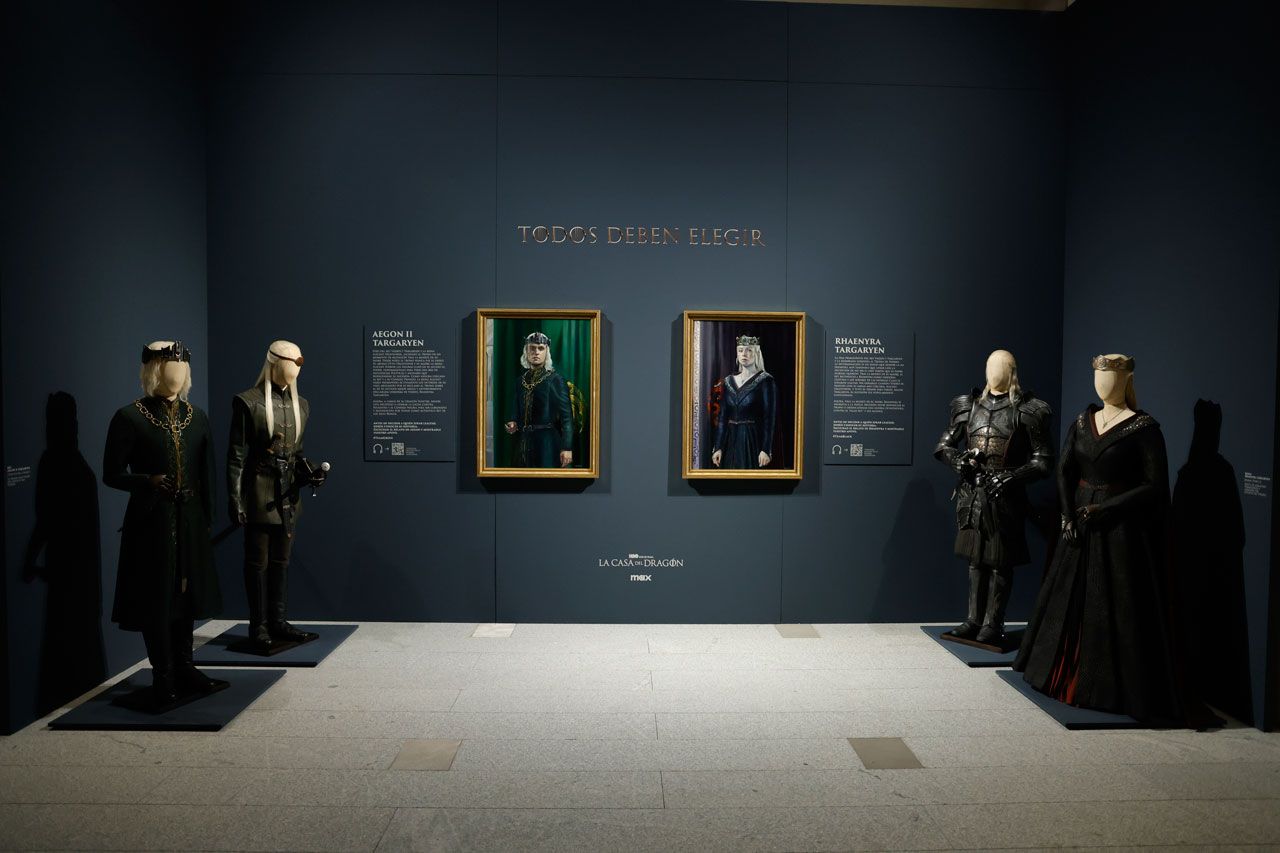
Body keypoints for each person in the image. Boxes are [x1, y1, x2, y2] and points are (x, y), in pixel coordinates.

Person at [1013, 354, 1182, 723]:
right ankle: (1055, 671)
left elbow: (1154, 485)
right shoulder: (1082, 421)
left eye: (1111, 377)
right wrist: (1066, 514)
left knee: (1112, 602)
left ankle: (1102, 686)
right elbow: (1064, 470)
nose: (1103, 384)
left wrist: (1106, 509)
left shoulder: (1144, 428)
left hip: (1119, 534)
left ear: (1126, 380)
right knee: (1068, 596)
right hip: (1078, 526)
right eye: (1099, 376)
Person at [103, 341, 224, 708]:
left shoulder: (196, 416)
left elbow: (207, 472)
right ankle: (163, 674)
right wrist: (147, 481)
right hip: (151, 524)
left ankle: (185, 666)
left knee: (186, 596)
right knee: (157, 598)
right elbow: (111, 473)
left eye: (182, 368)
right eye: (170, 367)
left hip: (190, 522)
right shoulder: (130, 417)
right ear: (154, 370)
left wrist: (207, 519)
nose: (176, 374)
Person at [934, 350, 1053, 647]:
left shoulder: (1030, 410)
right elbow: (944, 445)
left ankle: (993, 624)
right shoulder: (968, 406)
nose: (994, 371)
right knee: (975, 560)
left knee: (1000, 562)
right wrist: (958, 461)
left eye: (1001, 366)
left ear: (1012, 370)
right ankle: (973, 620)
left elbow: (1042, 461)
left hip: (1006, 496)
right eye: (991, 365)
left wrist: (1012, 476)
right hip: (972, 492)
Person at [227, 340, 324, 653]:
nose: (295, 366)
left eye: (299, 361)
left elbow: (298, 452)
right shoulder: (248, 402)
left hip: (288, 495)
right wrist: (236, 500)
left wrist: (309, 472)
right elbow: (237, 456)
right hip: (259, 493)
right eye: (290, 360)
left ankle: (278, 621)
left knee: (281, 559)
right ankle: (259, 627)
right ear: (274, 361)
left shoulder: (301, 405)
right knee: (258, 562)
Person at [504, 331, 573, 468]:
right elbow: (515, 411)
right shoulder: (520, 381)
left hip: (547, 445)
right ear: (526, 351)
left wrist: (567, 448)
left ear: (546, 352)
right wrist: (513, 423)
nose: (536, 352)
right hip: (523, 444)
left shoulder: (555, 380)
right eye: (532, 348)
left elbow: (567, 417)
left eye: (541, 348)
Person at [711, 334, 777, 469]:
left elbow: (769, 418)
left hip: (752, 440)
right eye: (740, 350)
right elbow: (723, 418)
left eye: (749, 350)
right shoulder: (728, 381)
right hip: (730, 441)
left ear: (756, 353)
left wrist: (766, 449)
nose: (744, 354)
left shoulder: (766, 381)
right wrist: (718, 447)